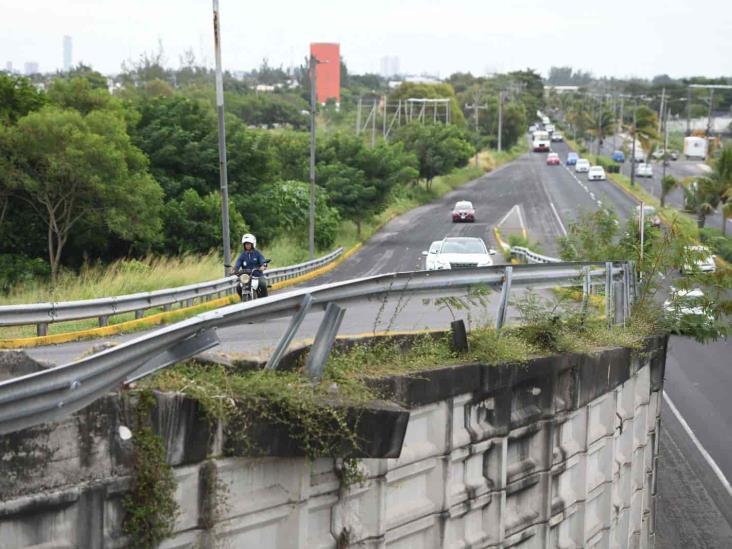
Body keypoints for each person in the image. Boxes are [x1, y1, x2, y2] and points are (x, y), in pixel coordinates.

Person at [234, 233, 268, 298]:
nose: (247, 245)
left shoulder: (257, 253)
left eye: (249, 244)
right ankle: (243, 299)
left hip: (257, 276)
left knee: (263, 284)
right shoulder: (242, 255)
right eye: (246, 244)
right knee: (238, 287)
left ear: (253, 244)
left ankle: (266, 301)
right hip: (246, 278)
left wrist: (263, 266)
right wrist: (235, 269)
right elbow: (238, 263)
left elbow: (262, 261)